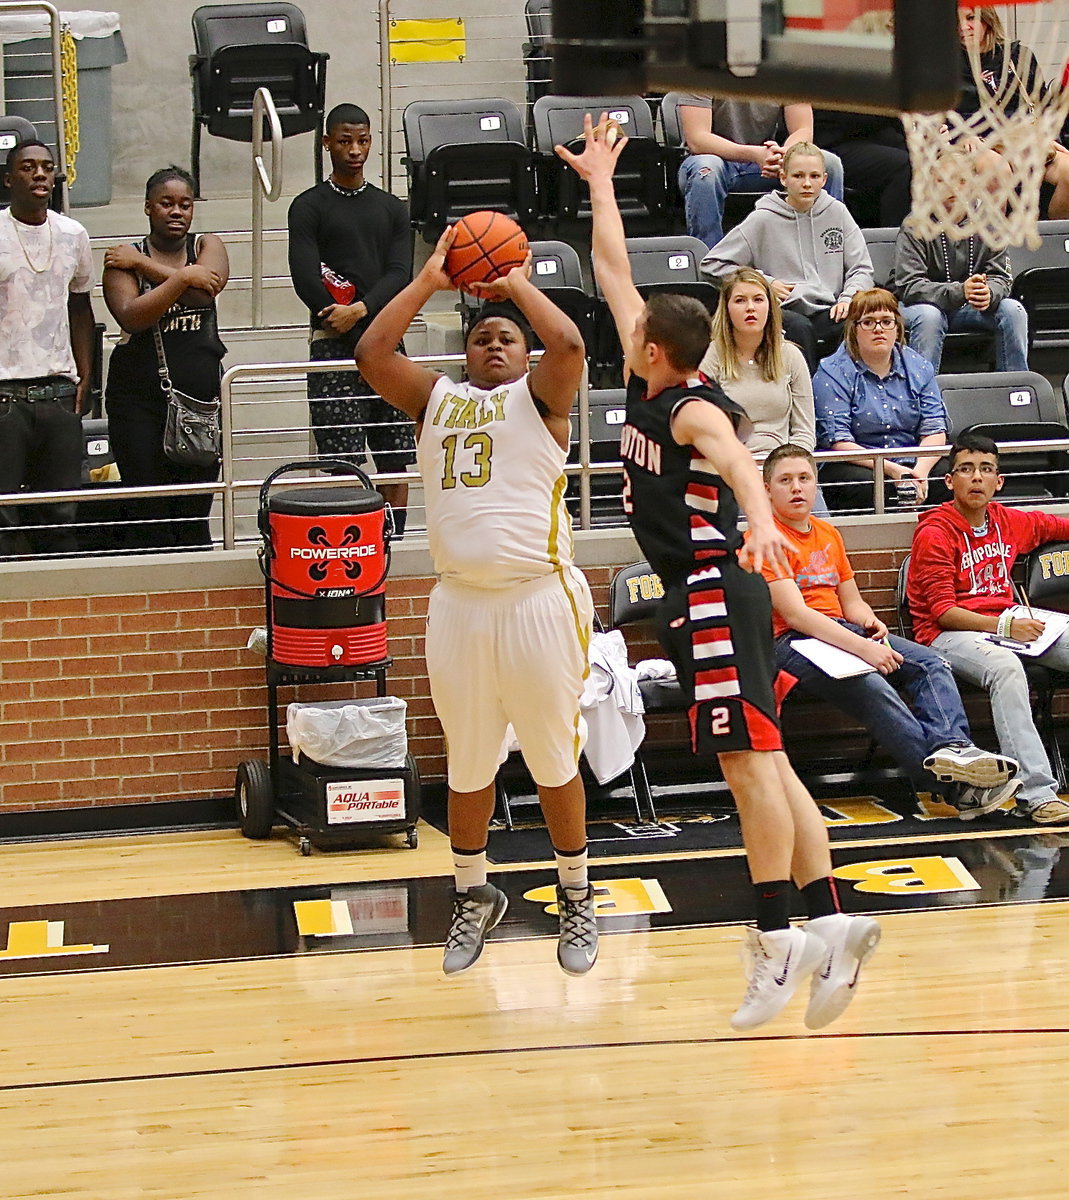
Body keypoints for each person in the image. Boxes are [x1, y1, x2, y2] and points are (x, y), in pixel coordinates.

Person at [558, 113, 881, 1033]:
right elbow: (613, 270)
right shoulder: (648, 367)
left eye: (631, 338)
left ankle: (773, 939)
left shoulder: (696, 408)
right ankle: (831, 920)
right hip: (713, 586)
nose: (622, 335)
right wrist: (598, 184)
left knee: (743, 765)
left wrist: (758, 523)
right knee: (770, 761)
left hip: (712, 582)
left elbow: (738, 457)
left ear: (651, 353)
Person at [354, 234, 599, 979]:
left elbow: (569, 340)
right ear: (464, 354)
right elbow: (371, 352)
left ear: (523, 356)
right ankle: (471, 895)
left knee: (554, 757)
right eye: (482, 337)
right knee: (466, 762)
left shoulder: (543, 398)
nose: (495, 344)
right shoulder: (438, 400)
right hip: (458, 603)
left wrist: (513, 282)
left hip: (537, 599)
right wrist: (429, 278)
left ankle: (575, 896)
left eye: (506, 339)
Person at [758, 443, 1019, 818]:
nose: (796, 487)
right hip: (792, 643)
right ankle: (953, 788)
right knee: (873, 686)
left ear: (816, 485)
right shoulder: (764, 540)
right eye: (785, 480)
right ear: (767, 489)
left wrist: (869, 622)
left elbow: (850, 600)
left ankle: (954, 749)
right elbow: (798, 616)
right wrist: (864, 649)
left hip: (841, 631)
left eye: (804, 478)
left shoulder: (828, 533)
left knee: (931, 663)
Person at [908, 432, 1069, 825]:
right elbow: (943, 612)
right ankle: (1037, 793)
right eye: (966, 469)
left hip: (1006, 622)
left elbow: (1054, 526)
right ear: (950, 481)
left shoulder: (1006, 520)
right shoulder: (935, 533)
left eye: (985, 470)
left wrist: (1008, 624)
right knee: (1006, 669)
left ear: (999, 481)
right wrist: (1004, 624)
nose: (976, 478)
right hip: (946, 636)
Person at [288, 103, 414, 532]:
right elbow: (305, 279)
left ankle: (392, 539)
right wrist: (339, 317)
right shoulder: (307, 207)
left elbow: (401, 273)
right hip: (331, 345)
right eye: (344, 141)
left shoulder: (392, 208)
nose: (354, 150)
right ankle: (354, 540)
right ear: (327, 144)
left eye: (362, 141)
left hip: (387, 343)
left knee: (397, 458)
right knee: (342, 462)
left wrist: (361, 312)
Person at [102, 165, 228, 551]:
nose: (177, 211)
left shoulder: (207, 245)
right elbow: (132, 315)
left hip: (200, 406)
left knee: (193, 516)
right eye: (166, 203)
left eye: (185, 204)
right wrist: (183, 278)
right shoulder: (120, 259)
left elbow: (206, 291)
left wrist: (146, 268)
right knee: (148, 513)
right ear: (147, 208)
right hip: (138, 404)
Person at [700, 143, 873, 371]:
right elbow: (712, 265)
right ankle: (806, 396)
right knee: (799, 328)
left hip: (830, 305)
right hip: (785, 309)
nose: (807, 183)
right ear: (783, 178)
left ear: (824, 179)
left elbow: (861, 268)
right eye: (798, 176)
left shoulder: (837, 212)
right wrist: (766, 284)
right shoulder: (762, 219)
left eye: (814, 176)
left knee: (857, 323)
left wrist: (848, 297)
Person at [0, 139, 94, 558]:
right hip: (5, 396)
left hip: (59, 393)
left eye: (47, 167)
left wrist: (86, 372)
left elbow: (80, 305)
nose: (40, 174)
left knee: (60, 516)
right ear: (8, 179)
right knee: (4, 517)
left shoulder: (73, 234)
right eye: (28, 167)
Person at [813, 289, 949, 513]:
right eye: (868, 322)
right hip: (857, 462)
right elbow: (838, 440)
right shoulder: (832, 372)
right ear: (853, 329)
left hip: (913, 458)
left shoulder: (920, 367)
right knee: (872, 487)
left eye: (887, 321)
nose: (878, 329)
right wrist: (893, 471)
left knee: (951, 477)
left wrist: (920, 472)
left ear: (898, 327)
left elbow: (934, 429)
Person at [676, 96, 844, 249]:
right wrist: (754, 154)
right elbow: (697, 139)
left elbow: (803, 129)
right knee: (706, 171)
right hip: (715, 159)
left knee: (828, 164)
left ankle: (829, 250)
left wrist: (785, 155)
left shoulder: (786, 71)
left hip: (765, 159)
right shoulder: (698, 72)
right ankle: (710, 260)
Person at [893, 188, 1029, 374]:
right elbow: (909, 286)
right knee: (929, 316)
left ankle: (1016, 387)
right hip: (921, 305)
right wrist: (960, 291)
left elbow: (1002, 277)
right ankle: (922, 394)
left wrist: (988, 292)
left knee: (1013, 310)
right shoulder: (913, 225)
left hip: (970, 307)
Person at [957, 6, 1069, 221]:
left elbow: (1044, 110)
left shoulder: (1019, 56)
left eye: (971, 18)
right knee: (995, 169)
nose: (963, 27)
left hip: (1021, 141)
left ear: (987, 20)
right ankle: (993, 251)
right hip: (973, 144)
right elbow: (938, 120)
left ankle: (1053, 244)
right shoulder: (941, 65)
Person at [700, 267, 816, 457]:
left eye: (758, 299)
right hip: (728, 465)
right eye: (740, 300)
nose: (750, 308)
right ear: (726, 308)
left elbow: (805, 432)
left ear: (770, 307)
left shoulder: (791, 355)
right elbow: (702, 430)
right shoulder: (710, 356)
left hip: (783, 466)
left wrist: (786, 466)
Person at [811, 106, 912, 228]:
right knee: (902, 164)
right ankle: (894, 240)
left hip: (870, 133)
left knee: (923, 157)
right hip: (833, 139)